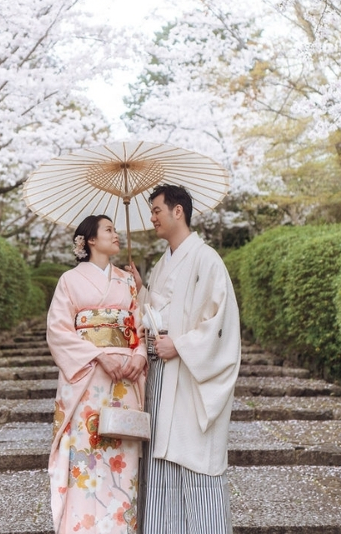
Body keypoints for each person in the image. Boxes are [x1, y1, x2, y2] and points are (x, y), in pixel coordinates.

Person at [138, 184, 242, 534]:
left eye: (156, 210)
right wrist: (141, 291)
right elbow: (157, 315)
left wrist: (180, 346)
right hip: (161, 377)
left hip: (189, 377)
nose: (152, 218)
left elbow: (221, 324)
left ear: (177, 211)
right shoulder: (159, 265)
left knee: (194, 462)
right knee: (160, 465)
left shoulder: (206, 259)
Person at [47, 215, 148, 534]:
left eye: (116, 230)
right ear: (90, 240)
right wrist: (98, 355)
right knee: (86, 456)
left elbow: (141, 325)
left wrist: (140, 353)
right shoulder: (69, 280)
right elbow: (58, 330)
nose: (116, 235)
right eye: (108, 230)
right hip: (89, 378)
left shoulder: (128, 280)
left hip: (125, 378)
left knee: (123, 452)